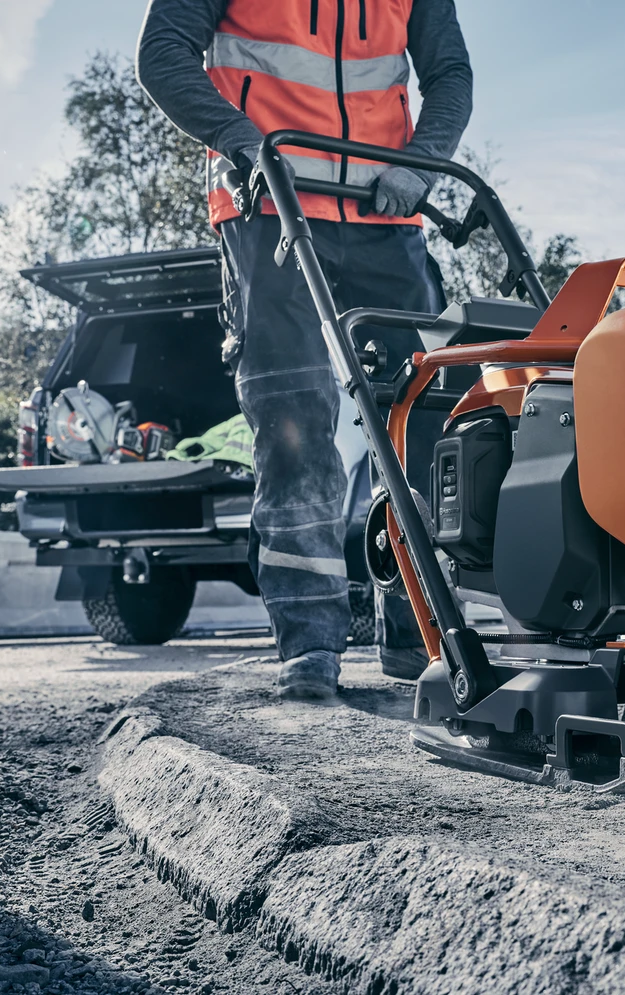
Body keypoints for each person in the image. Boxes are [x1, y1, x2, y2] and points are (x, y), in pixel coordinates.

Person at [137, 0, 472, 698]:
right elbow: (162, 54)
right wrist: (242, 141)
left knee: (423, 424)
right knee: (294, 424)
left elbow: (451, 74)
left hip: (387, 207)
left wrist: (422, 164)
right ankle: (309, 643)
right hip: (268, 207)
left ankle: (419, 632)